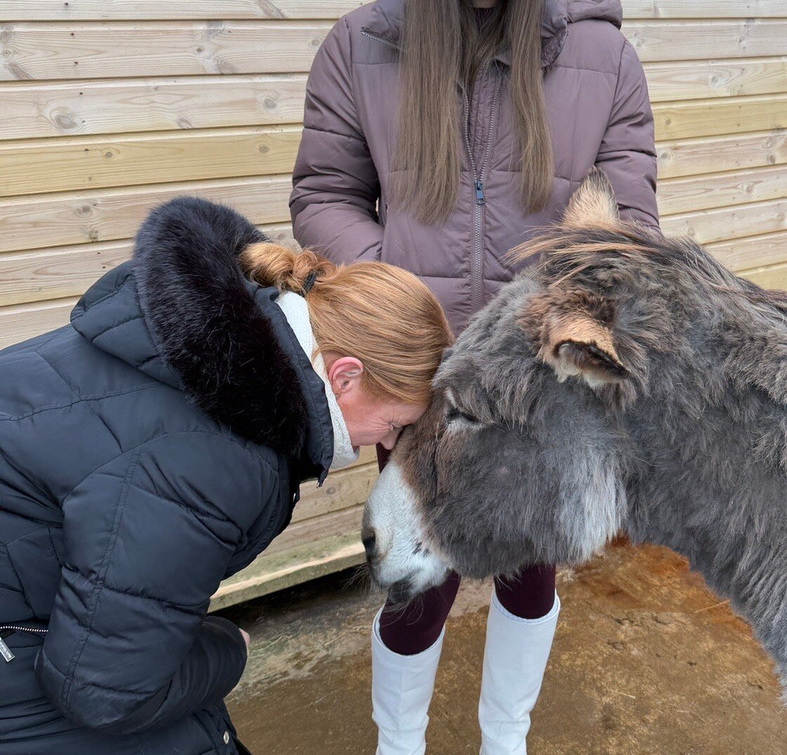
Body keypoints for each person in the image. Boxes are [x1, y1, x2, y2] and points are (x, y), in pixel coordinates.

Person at [290, 0, 659, 752]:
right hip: (421, 381)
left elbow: (630, 223)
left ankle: (505, 739)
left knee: (530, 572)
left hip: (539, 389)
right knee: (417, 585)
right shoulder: (360, 48)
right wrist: (398, 302)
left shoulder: (604, 56)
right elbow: (325, 194)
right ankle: (399, 744)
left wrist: (571, 327)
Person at [0, 197, 453, 755]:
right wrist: (227, 648)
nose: (384, 444)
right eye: (394, 424)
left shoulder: (213, 338)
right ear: (345, 377)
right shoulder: (223, 461)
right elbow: (105, 693)